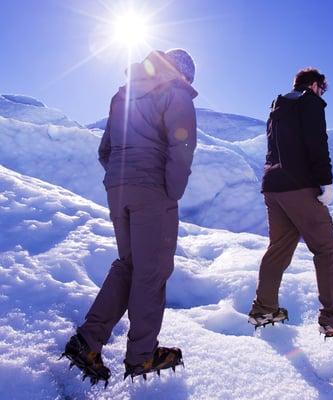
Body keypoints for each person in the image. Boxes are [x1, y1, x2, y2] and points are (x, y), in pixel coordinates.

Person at [61, 48, 198, 385]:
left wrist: (122, 179)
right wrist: (169, 191)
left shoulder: (125, 94)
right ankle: (142, 355)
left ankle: (87, 342)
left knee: (130, 264)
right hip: (153, 191)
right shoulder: (176, 94)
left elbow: (105, 149)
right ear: (182, 73)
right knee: (152, 271)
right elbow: (181, 148)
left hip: (118, 189)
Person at [248, 68, 333, 339]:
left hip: (273, 187)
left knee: (278, 249)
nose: (322, 93)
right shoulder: (309, 102)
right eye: (323, 89)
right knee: (326, 248)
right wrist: (325, 182)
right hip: (299, 186)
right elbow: (317, 144)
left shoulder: (277, 107)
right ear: (315, 85)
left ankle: (263, 309)